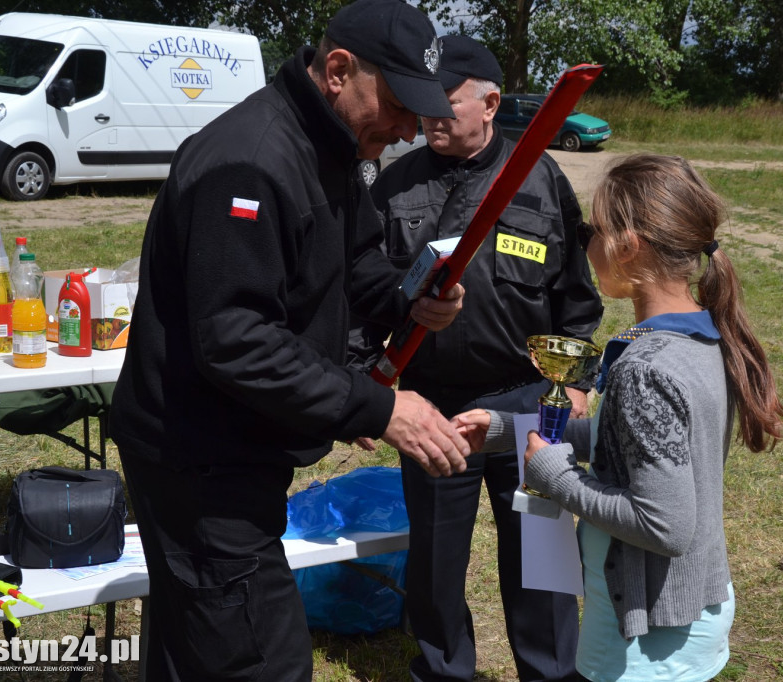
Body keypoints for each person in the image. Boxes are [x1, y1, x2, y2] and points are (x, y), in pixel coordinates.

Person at [108, 2, 473, 680]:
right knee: (258, 659)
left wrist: (407, 301)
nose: (402, 132)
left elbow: (357, 259)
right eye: (396, 107)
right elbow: (236, 339)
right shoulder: (251, 163)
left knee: (195, 644)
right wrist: (376, 408)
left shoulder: (331, 150)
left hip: (239, 448)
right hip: (198, 460)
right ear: (339, 72)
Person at [454, 154, 783, 681]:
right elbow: (628, 441)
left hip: (646, 636)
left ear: (628, 246)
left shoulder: (647, 370)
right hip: (685, 608)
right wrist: (506, 431)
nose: (586, 244)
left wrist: (556, 479)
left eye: (594, 229)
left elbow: (663, 525)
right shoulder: (699, 333)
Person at [352, 35, 604, 682]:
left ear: (491, 103)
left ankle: (551, 671)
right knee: (435, 561)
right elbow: (362, 293)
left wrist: (573, 387)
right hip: (434, 401)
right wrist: (367, 388)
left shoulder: (540, 178)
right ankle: (441, 669)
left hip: (530, 397)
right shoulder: (394, 185)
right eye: (426, 105)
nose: (433, 117)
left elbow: (575, 297)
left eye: (450, 104)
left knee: (542, 553)